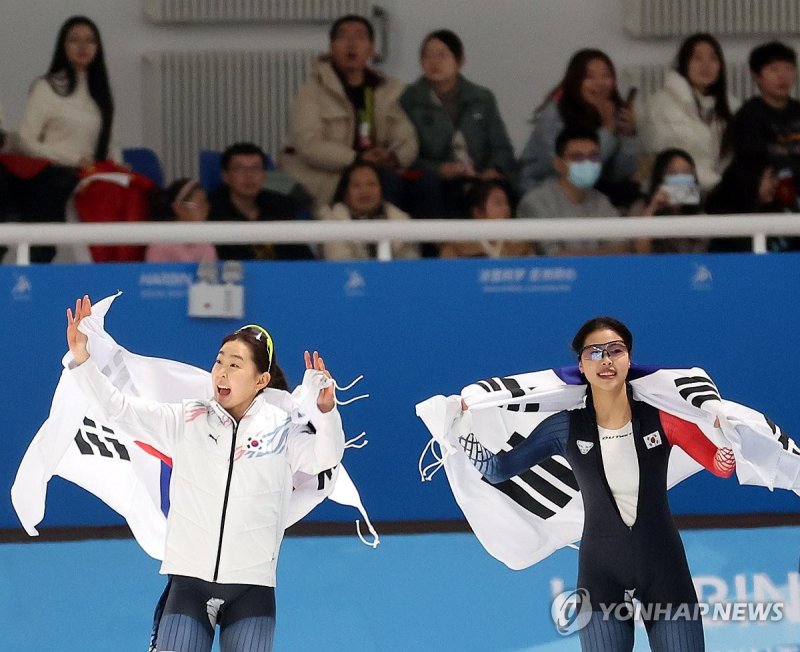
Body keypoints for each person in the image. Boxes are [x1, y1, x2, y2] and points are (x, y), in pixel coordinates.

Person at [65, 296, 344, 652]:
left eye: (235, 364)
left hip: (252, 593)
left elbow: (326, 456)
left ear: (262, 379)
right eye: (219, 362)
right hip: (188, 588)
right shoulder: (188, 419)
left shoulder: (283, 431)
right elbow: (118, 410)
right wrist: (83, 359)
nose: (222, 372)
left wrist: (326, 410)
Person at [458, 316, 735, 651]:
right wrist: (459, 429)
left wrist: (725, 436)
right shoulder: (566, 427)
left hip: (665, 570)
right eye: (595, 353)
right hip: (601, 574)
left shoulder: (663, 418)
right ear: (581, 366)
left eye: (615, 350)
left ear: (629, 360)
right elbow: (499, 469)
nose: (606, 360)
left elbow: (720, 467)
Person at [279, 14, 418, 208]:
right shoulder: (311, 91)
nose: (352, 44)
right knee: (383, 182)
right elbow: (309, 144)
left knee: (423, 182)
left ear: (370, 50)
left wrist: (393, 157)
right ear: (331, 47)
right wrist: (357, 159)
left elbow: (407, 136)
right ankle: (381, 238)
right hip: (328, 175)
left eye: (360, 37)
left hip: (374, 171)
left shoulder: (386, 90)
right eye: (343, 37)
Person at [12, 15, 118, 263]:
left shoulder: (100, 93)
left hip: (92, 177)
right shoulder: (47, 87)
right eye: (74, 40)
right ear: (63, 46)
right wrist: (72, 159)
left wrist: (117, 166)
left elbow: (111, 143)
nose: (83, 47)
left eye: (90, 41)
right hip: (56, 177)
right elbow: (24, 141)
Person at [400, 29, 515, 218]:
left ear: (460, 61)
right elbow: (407, 155)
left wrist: (494, 169)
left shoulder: (482, 98)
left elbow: (501, 146)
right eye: (427, 56)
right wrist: (440, 170)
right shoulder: (410, 100)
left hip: (480, 174)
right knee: (433, 189)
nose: (434, 62)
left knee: (502, 189)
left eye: (442, 55)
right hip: (438, 179)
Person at [518, 49, 640, 207]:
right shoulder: (555, 114)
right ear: (575, 81)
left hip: (591, 190)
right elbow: (566, 170)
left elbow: (620, 174)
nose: (600, 83)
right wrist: (608, 130)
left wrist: (628, 135)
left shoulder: (613, 111)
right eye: (589, 77)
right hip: (543, 187)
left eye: (606, 76)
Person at [641, 33, 739, 192]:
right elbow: (663, 159)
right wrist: (718, 185)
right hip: (675, 190)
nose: (706, 65)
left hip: (719, 191)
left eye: (713, 58)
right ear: (684, 63)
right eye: (697, 58)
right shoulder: (662, 104)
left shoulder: (732, 106)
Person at [517, 126, 632, 256]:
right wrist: (604, 254)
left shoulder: (601, 201)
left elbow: (622, 248)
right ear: (558, 164)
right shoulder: (535, 202)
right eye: (577, 157)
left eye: (593, 157)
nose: (587, 163)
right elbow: (553, 255)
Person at [722, 41, 800, 203]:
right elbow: (752, 162)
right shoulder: (748, 115)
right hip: (767, 191)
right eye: (774, 69)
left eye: (789, 69)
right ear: (757, 76)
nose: (782, 76)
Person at [209, 142, 315, 261]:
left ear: (264, 176)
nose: (249, 175)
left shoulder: (280, 207)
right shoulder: (212, 213)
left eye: (255, 168)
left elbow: (304, 257)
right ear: (225, 176)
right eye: (239, 169)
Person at [316, 160, 419, 260]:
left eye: (371, 184)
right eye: (356, 186)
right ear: (345, 194)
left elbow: (411, 269)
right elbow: (340, 268)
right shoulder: (333, 221)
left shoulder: (400, 220)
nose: (365, 191)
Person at [706, 156, 799, 252]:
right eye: (771, 176)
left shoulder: (783, 212)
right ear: (751, 179)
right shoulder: (724, 227)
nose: (776, 183)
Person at [629, 148, 708, 254]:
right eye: (673, 173)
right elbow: (640, 252)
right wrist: (653, 208)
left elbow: (698, 258)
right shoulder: (640, 208)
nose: (681, 178)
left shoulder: (700, 217)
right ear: (660, 177)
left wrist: (677, 210)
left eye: (686, 172)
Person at [438, 179, 534, 258]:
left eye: (506, 203)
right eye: (498, 203)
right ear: (478, 212)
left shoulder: (521, 246)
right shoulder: (456, 248)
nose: (506, 208)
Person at [145, 178, 218, 263]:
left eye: (206, 203)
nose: (205, 209)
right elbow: (155, 274)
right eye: (200, 205)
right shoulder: (160, 244)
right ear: (179, 208)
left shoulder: (206, 240)